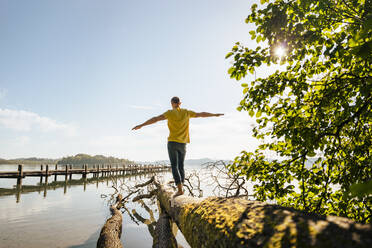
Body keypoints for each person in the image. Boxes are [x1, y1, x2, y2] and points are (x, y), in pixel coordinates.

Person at [132, 96, 224, 196]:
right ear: (180, 103)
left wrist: (141, 125)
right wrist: (214, 115)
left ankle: (180, 190)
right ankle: (181, 188)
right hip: (183, 144)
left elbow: (156, 119)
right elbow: (201, 114)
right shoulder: (186, 112)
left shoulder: (169, 113)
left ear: (172, 103)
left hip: (172, 143)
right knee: (181, 166)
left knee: (174, 166)